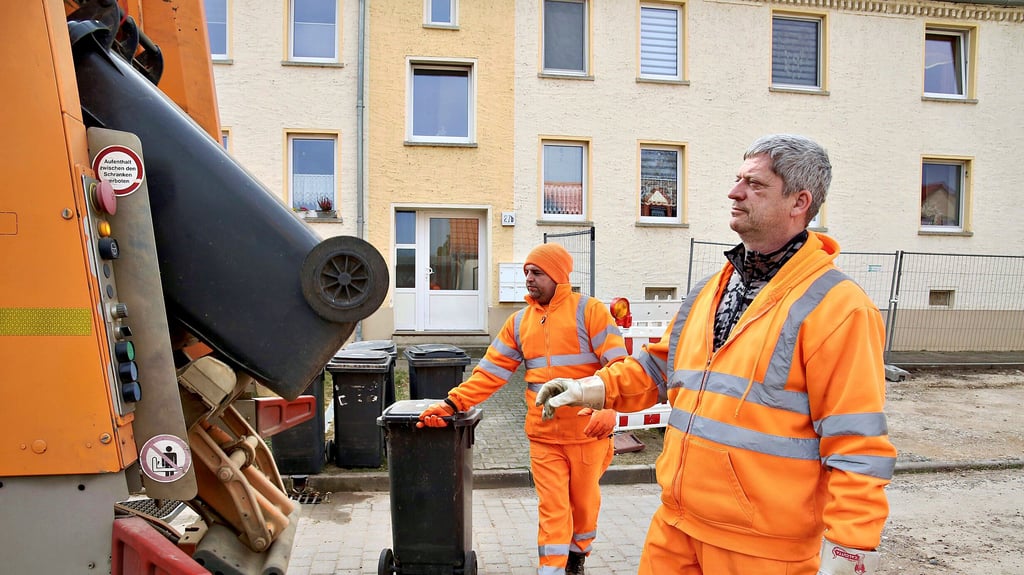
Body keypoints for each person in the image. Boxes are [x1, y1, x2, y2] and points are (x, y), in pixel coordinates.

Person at [536, 134, 898, 575]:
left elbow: (856, 443)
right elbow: (657, 369)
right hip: (675, 528)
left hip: (762, 550)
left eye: (755, 184)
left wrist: (849, 554)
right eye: (737, 179)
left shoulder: (839, 308)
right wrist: (585, 388)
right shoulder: (712, 289)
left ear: (799, 202)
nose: (734, 192)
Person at [417, 243, 628, 575]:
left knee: (584, 507)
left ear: (558, 276)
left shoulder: (590, 312)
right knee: (553, 508)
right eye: (526, 272)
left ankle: (578, 554)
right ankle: (552, 569)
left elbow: (618, 365)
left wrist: (610, 408)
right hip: (543, 437)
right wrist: (451, 403)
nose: (528, 279)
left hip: (588, 434)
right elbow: (490, 372)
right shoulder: (519, 323)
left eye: (537, 273)